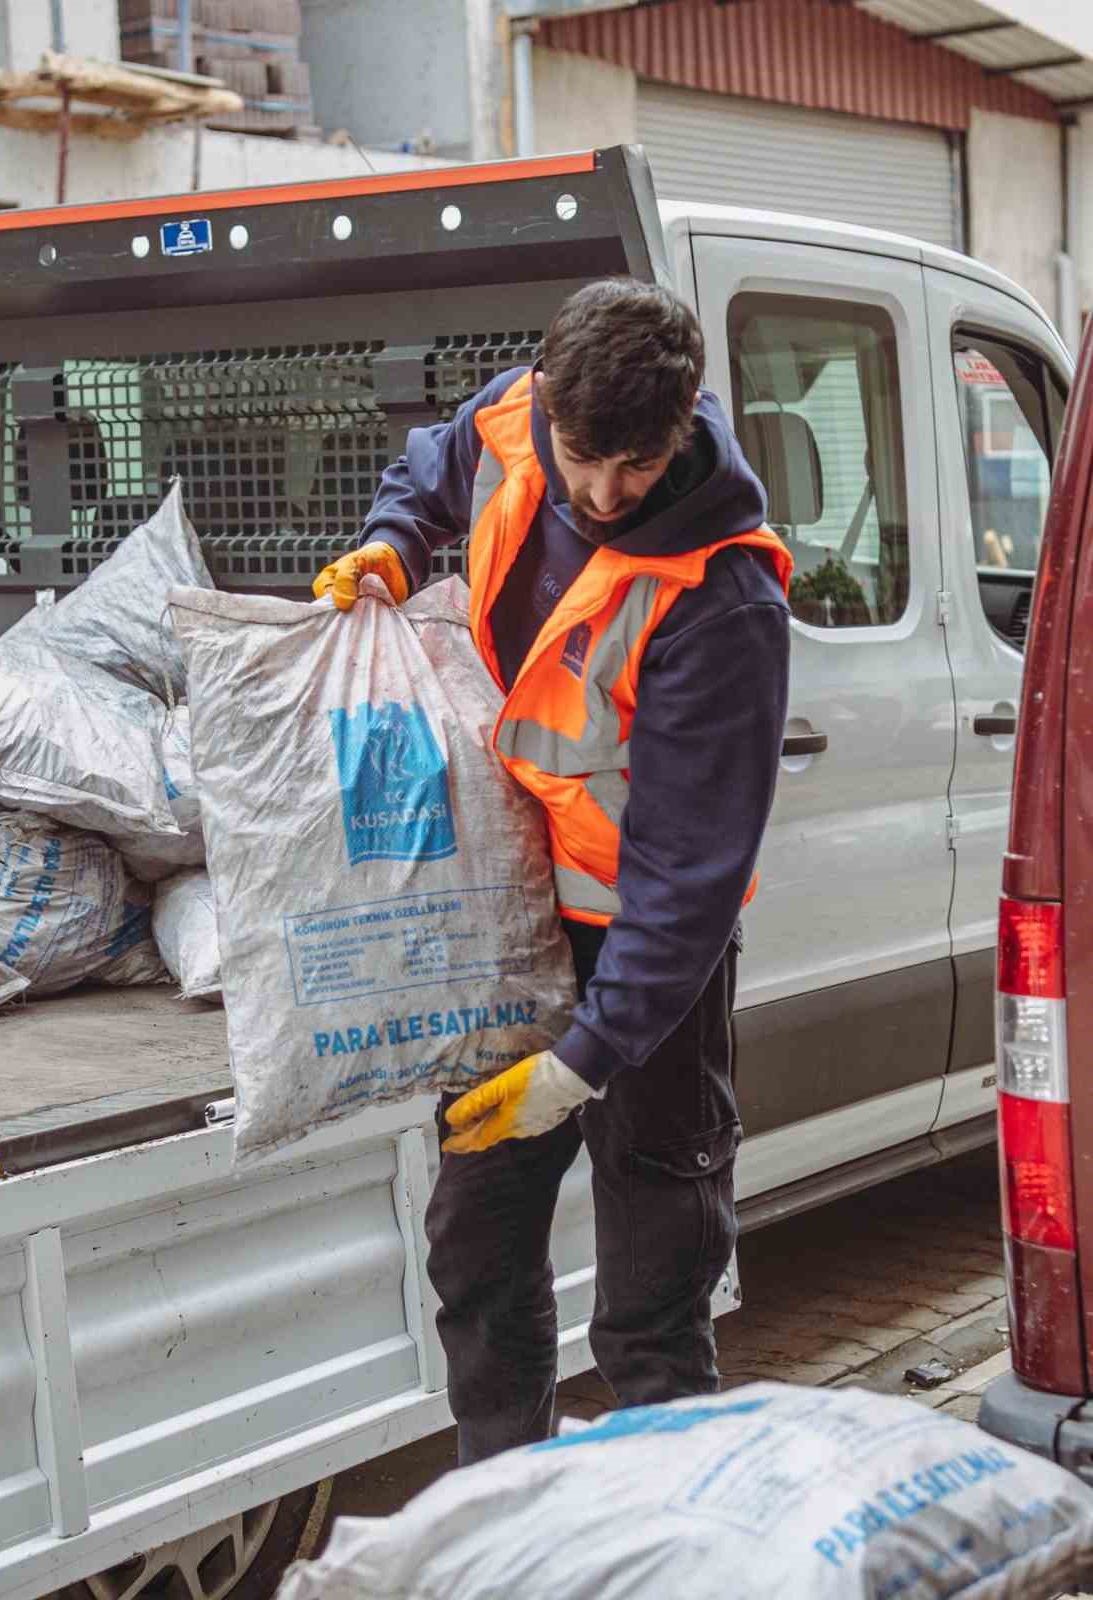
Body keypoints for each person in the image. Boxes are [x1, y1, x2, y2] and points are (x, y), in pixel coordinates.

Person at [312, 277, 792, 1465]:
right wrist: (389, 543)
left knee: (651, 1303)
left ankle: (664, 1550)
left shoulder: (719, 592)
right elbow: (433, 467)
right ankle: (508, 1515)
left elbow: (686, 876)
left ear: (683, 422)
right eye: (584, 459)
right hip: (502, 921)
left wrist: (582, 1062)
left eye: (635, 464)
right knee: (475, 1253)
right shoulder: (515, 418)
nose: (601, 493)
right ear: (543, 403)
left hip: (645, 974)